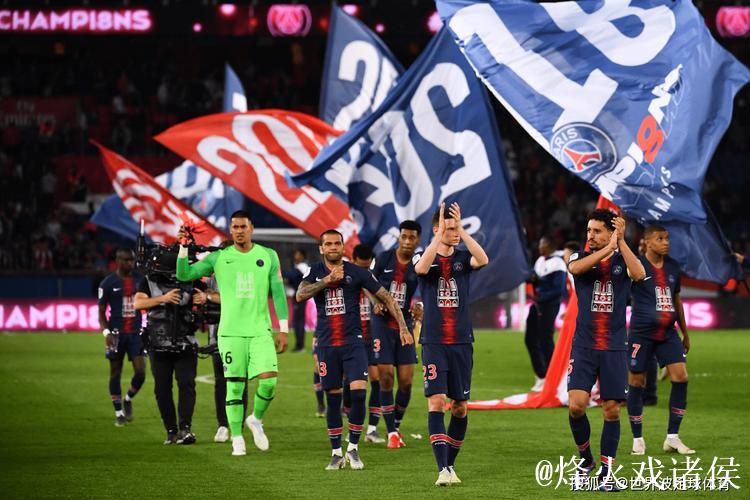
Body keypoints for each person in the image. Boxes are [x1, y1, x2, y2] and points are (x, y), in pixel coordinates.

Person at [175, 210, 289, 456]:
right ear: (230, 230)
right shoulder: (218, 258)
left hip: (260, 331)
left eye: (243, 226)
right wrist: (183, 246)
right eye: (235, 227)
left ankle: (256, 418)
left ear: (251, 228)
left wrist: (283, 328)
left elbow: (279, 293)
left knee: (269, 382)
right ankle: (237, 437)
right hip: (230, 333)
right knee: (235, 387)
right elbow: (184, 274)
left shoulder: (268, 255)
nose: (239, 231)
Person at [296, 229, 411, 471]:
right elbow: (300, 295)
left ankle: (353, 448)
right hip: (327, 344)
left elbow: (387, 297)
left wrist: (403, 327)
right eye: (328, 244)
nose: (333, 247)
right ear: (321, 248)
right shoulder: (315, 271)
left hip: (354, 344)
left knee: (359, 394)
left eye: (337, 243)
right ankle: (336, 453)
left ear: (342, 247)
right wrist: (327, 280)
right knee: (333, 399)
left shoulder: (357, 272)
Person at [566, 209, 645, 491]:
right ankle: (586, 460)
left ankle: (607, 473)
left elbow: (640, 274)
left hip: (613, 346)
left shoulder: (623, 261)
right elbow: (575, 270)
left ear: (611, 233)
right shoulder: (579, 257)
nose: (590, 235)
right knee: (576, 406)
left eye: (597, 231)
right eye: (589, 230)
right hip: (584, 345)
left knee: (611, 411)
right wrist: (608, 247)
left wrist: (620, 242)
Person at [414, 203, 489, 486]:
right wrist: (439, 237)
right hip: (434, 342)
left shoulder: (463, 259)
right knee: (436, 401)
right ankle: (442, 469)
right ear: (437, 230)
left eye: (458, 228)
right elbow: (421, 269)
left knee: (460, 407)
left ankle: (450, 465)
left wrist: (462, 231)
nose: (456, 233)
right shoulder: (425, 255)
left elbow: (483, 259)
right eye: (450, 229)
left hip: (461, 341)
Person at [627, 225, 694, 456]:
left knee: (681, 376)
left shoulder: (673, 266)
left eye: (667, 238)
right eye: (660, 238)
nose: (666, 242)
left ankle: (672, 437)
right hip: (641, 333)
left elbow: (677, 300)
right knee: (637, 382)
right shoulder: (636, 265)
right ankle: (637, 439)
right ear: (647, 242)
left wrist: (685, 332)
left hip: (668, 333)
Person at [134, 250, 206, 445]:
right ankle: (171, 430)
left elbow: (209, 295)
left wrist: (203, 297)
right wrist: (163, 299)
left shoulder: (192, 279)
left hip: (186, 341)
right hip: (158, 343)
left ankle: (185, 428)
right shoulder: (149, 281)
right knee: (162, 389)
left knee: (186, 385)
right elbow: (138, 303)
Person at [371, 220, 422, 448]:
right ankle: (391, 432)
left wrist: (420, 305)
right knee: (385, 378)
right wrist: (375, 302)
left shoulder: (419, 263)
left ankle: (396, 425)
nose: (407, 241)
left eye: (412, 238)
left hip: (405, 324)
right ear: (399, 237)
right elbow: (367, 284)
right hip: (382, 324)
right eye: (404, 237)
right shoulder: (383, 258)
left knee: (406, 383)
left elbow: (426, 289)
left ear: (418, 240)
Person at [98, 248, 146, 427]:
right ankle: (118, 413)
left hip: (136, 333)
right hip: (116, 335)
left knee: (141, 372)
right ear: (117, 261)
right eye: (126, 260)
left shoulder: (140, 280)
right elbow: (101, 312)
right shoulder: (107, 283)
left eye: (132, 260)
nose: (130, 264)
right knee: (115, 372)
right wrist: (106, 333)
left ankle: (128, 398)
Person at [351, 244, 385, 444]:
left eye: (367, 267)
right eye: (361, 267)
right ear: (353, 260)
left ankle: (372, 429)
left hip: (371, 338)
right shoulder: (345, 278)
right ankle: (351, 428)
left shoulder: (373, 279)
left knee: (377, 382)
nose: (364, 271)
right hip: (350, 338)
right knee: (351, 386)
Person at [525, 236, 567, 392]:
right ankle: (541, 375)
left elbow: (559, 289)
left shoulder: (558, 263)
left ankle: (552, 376)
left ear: (550, 246)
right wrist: (531, 278)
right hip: (537, 304)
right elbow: (535, 279)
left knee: (545, 340)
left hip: (549, 306)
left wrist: (540, 297)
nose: (539, 247)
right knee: (530, 339)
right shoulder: (540, 261)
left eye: (542, 244)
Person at [283, 248, 310, 352]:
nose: (296, 257)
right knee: (298, 321)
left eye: (298, 254)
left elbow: (289, 275)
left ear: (302, 256)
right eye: (295, 254)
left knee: (299, 321)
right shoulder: (298, 267)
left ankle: (300, 345)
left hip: (300, 296)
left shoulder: (301, 267)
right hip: (298, 295)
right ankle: (299, 345)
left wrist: (281, 272)